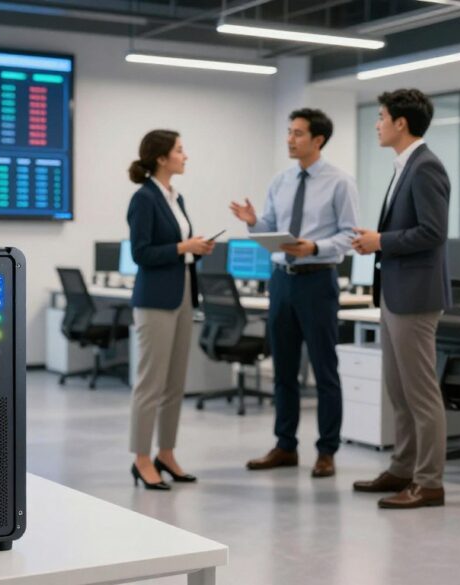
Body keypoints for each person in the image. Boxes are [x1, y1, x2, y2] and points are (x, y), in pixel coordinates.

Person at [229, 108, 357, 479]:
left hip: (318, 280)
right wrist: (254, 222)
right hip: (282, 280)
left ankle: (327, 451)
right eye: (289, 132)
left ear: (318, 140)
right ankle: (285, 445)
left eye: (298, 133)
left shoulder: (339, 183)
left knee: (324, 369)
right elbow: (271, 229)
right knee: (283, 369)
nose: (290, 139)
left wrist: (314, 248)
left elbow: (348, 235)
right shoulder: (281, 181)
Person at [351, 89, 451, 509]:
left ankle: (429, 482)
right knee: (399, 390)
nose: (377, 124)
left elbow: (433, 232)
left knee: (421, 394)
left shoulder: (426, 167)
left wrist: (380, 241)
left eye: (380, 117)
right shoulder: (403, 166)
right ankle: (402, 468)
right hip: (395, 292)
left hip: (414, 295)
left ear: (400, 124)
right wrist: (378, 244)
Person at [126, 129, 214, 491]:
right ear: (162, 158)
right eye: (180, 150)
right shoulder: (144, 199)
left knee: (175, 383)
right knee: (151, 384)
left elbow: (178, 246)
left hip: (183, 294)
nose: (185, 156)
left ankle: (167, 453)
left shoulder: (175, 197)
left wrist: (194, 248)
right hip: (155, 299)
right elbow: (141, 253)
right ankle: (142, 459)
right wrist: (183, 247)